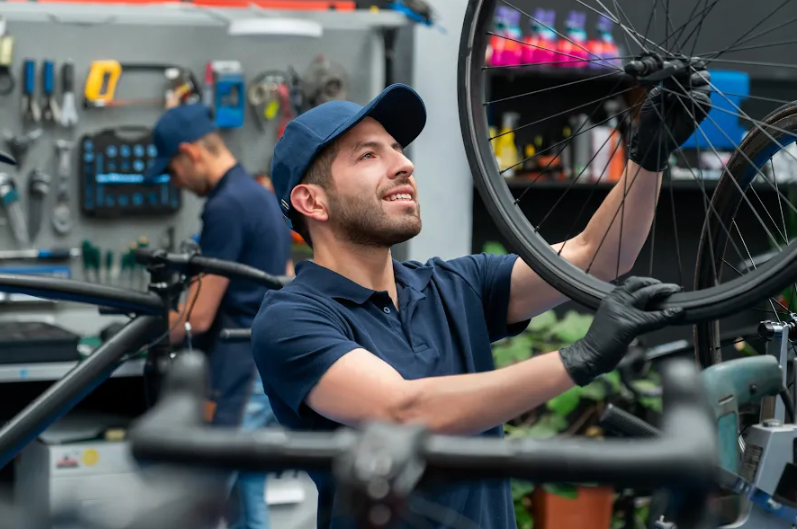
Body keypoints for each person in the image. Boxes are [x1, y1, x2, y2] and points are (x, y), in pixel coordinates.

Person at [251, 69, 712, 529]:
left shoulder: (454, 284)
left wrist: (647, 156)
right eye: (368, 155)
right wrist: (579, 357)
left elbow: (596, 256)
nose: (403, 164)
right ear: (312, 202)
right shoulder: (292, 319)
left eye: (397, 149)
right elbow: (402, 410)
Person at [145, 103, 293, 529]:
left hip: (238, 376)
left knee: (197, 500)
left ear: (190, 153)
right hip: (262, 368)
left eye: (171, 171)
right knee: (249, 501)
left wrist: (139, 332)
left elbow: (199, 315)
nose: (176, 184)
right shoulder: (261, 196)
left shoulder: (226, 206)